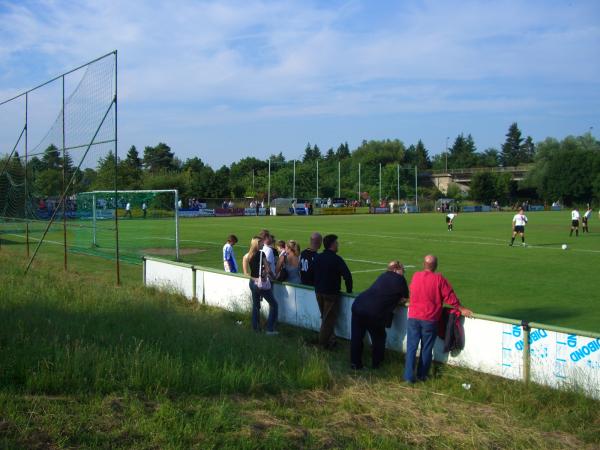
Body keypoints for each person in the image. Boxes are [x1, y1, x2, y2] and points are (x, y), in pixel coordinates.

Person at [404, 255, 473, 383]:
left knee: (411, 347)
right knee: (426, 348)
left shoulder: (416, 276)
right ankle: (422, 375)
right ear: (435, 266)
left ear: (424, 264)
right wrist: (461, 308)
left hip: (414, 316)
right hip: (429, 319)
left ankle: (408, 377)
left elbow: (412, 290)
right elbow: (450, 297)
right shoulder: (438, 279)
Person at [350, 261, 409, 370]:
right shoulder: (400, 279)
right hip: (373, 311)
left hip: (358, 305)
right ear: (396, 269)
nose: (403, 273)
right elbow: (405, 298)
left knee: (357, 337)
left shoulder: (383, 276)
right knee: (379, 338)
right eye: (403, 270)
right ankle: (376, 364)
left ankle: (355, 363)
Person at [313, 234, 353, 349]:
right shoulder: (336, 259)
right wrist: (349, 290)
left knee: (325, 317)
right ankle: (321, 344)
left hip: (319, 291)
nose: (338, 244)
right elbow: (347, 276)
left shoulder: (318, 257)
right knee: (328, 320)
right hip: (331, 293)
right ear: (332, 244)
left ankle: (332, 340)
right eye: (336, 243)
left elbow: (312, 273)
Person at [242, 236, 279, 334]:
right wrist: (273, 276)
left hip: (252, 282)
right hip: (260, 283)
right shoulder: (261, 254)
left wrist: (254, 277)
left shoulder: (248, 255)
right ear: (257, 244)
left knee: (256, 306)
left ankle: (255, 328)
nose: (263, 245)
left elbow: (246, 272)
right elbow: (268, 269)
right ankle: (270, 328)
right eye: (262, 243)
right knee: (274, 304)